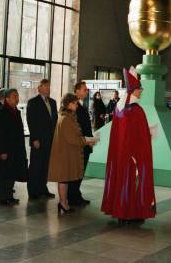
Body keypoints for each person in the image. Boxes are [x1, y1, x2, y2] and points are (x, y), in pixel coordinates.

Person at [101, 67, 156, 225]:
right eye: (139, 89)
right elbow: (139, 135)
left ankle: (121, 213)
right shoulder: (136, 110)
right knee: (132, 184)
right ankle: (130, 214)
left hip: (120, 155)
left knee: (122, 183)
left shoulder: (119, 109)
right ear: (133, 90)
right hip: (133, 156)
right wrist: (149, 133)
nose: (141, 92)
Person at [48, 93, 96, 213]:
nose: (77, 105)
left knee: (65, 179)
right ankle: (63, 203)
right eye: (75, 103)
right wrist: (86, 141)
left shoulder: (67, 116)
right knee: (63, 179)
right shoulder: (66, 118)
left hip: (66, 153)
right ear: (69, 104)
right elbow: (72, 138)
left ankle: (64, 202)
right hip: (65, 154)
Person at [0, 88, 28, 205]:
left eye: (17, 96)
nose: (17, 98)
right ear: (7, 99)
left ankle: (9, 195)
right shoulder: (1, 112)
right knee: (4, 174)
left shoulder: (16, 111)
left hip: (15, 149)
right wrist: (2, 151)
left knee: (12, 173)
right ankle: (1, 197)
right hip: (5, 149)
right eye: (14, 96)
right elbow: (0, 134)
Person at [26, 79, 58, 199]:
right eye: (45, 86)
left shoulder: (53, 102)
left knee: (46, 166)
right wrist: (34, 138)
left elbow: (54, 122)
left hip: (50, 140)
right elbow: (31, 121)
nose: (48, 88)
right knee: (36, 166)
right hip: (38, 140)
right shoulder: (33, 102)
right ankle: (33, 190)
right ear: (39, 88)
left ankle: (42, 188)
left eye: (49, 86)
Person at [67, 81, 93, 206]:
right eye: (84, 89)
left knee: (80, 172)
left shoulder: (81, 105)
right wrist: (87, 140)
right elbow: (76, 127)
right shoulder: (73, 106)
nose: (86, 92)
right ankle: (72, 196)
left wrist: (91, 139)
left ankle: (76, 194)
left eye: (86, 90)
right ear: (76, 91)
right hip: (79, 145)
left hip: (85, 143)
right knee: (76, 172)